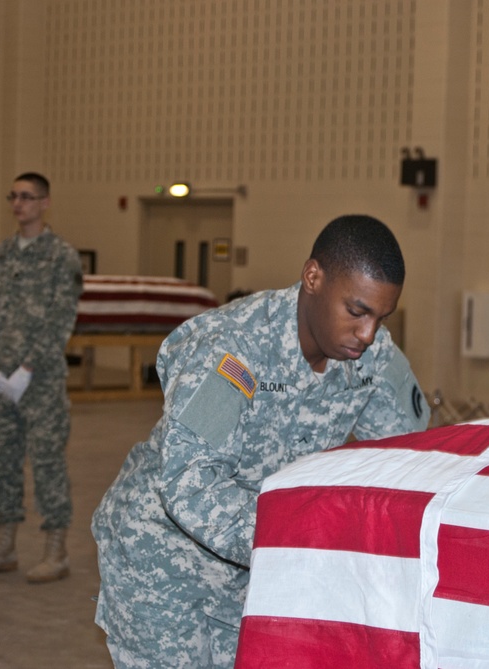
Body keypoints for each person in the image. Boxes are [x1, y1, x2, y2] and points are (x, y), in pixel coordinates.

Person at [92, 214, 431, 668]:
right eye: (356, 311)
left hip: (255, 568)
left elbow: (410, 456)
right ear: (313, 277)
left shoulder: (372, 355)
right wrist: (302, 536)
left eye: (381, 316)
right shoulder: (233, 350)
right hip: (163, 562)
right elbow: (190, 483)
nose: (368, 333)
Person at [0, 172, 84, 582]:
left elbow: (60, 320)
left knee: (48, 460)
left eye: (27, 197)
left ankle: (57, 550)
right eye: (13, 196)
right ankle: (4, 545)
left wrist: (27, 368)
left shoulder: (61, 257)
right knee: (2, 460)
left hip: (42, 382)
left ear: (45, 202)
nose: (19, 204)